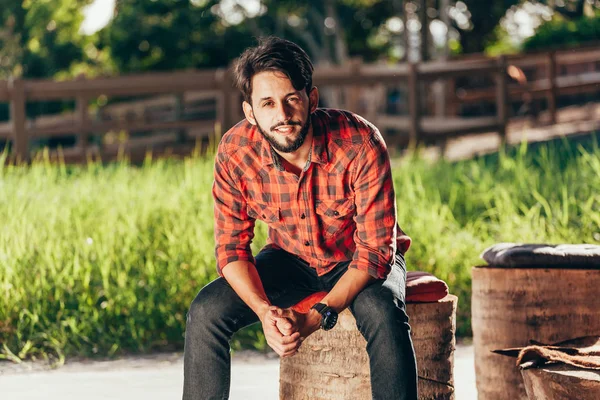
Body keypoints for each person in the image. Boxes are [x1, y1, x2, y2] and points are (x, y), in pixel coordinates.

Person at [182, 36, 418, 400]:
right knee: (206, 311)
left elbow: (374, 252)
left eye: (292, 98)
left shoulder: (361, 143)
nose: (282, 114)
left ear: (312, 99)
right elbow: (231, 249)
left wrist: (315, 316)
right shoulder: (235, 152)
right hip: (288, 258)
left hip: (357, 258)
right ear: (250, 112)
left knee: (382, 310)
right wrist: (264, 311)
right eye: (268, 103)